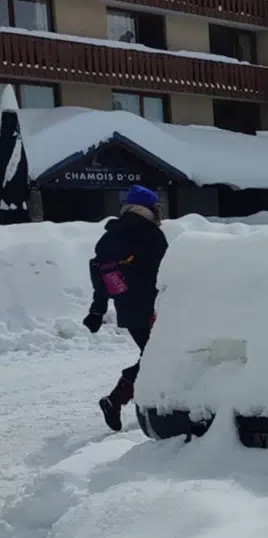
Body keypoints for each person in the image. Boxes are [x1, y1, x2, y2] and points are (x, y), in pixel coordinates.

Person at [83, 185, 169, 431]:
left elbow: (100, 272)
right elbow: (166, 273)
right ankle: (119, 400)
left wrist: (97, 309)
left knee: (153, 355)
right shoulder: (150, 234)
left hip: (128, 310)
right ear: (150, 208)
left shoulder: (111, 235)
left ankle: (120, 399)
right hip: (153, 308)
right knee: (157, 356)